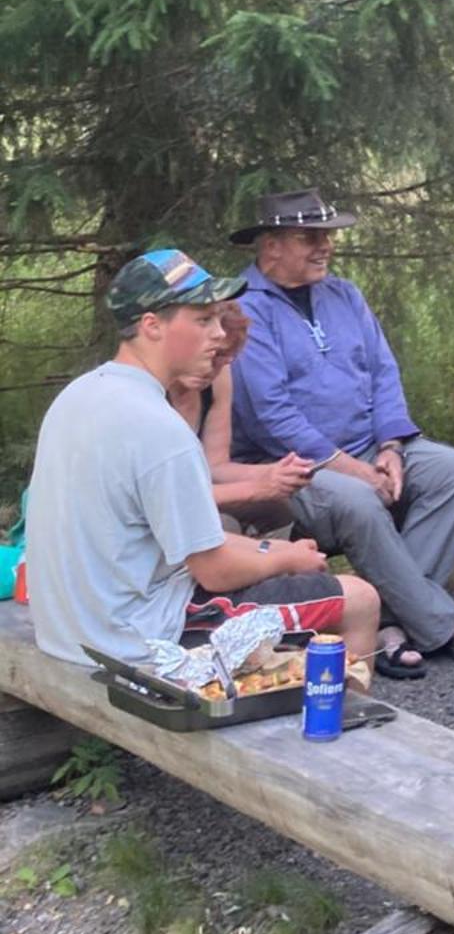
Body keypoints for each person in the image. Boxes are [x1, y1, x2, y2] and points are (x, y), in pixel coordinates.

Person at [26, 249, 378, 671]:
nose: (218, 334)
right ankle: (335, 728)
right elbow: (214, 571)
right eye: (202, 320)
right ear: (151, 326)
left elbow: (185, 543)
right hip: (138, 637)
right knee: (359, 599)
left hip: (69, 629)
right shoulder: (159, 428)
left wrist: (271, 547)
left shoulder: (80, 394)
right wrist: (289, 559)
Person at [228, 188, 454, 677]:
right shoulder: (247, 309)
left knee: (451, 471)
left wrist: (391, 447)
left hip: (372, 448)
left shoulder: (344, 294)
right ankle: (444, 621)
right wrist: (353, 470)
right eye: (308, 237)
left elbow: (383, 373)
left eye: (328, 235)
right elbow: (271, 416)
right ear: (270, 246)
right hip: (292, 469)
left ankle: (389, 621)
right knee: (360, 501)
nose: (325, 246)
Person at [168, 300, 313, 533]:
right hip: (161, 504)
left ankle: (273, 565)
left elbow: (216, 466)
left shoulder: (218, 380)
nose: (212, 368)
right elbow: (170, 495)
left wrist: (276, 473)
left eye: (225, 359)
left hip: (198, 490)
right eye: (212, 355)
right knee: (223, 526)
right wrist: (257, 488)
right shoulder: (147, 396)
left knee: (276, 510)